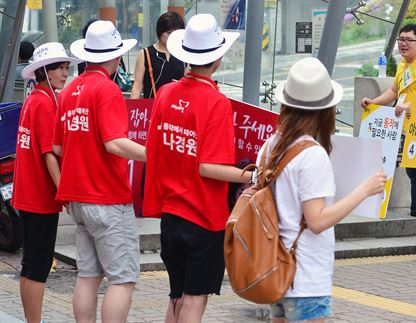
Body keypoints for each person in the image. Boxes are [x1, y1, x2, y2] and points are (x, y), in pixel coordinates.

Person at [143, 14, 247, 323]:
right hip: (203, 217)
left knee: (176, 296)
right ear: (217, 59)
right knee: (194, 299)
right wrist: (251, 175)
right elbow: (209, 167)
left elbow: (154, 150)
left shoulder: (165, 94)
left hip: (171, 214)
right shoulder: (216, 102)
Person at [265, 56, 386, 323]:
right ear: (325, 110)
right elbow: (317, 220)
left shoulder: (271, 145)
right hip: (305, 275)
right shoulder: (312, 154)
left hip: (274, 266)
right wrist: (364, 189)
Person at [53, 20, 146, 323]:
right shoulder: (106, 89)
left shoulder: (68, 92)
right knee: (122, 278)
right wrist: (154, 155)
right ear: (116, 56)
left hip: (76, 197)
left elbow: (58, 148)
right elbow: (115, 143)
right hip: (106, 196)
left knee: (88, 275)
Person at [12, 42, 81, 323]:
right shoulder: (45, 103)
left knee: (31, 265)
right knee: (38, 266)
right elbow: (49, 155)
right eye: (59, 68)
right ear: (44, 72)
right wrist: (64, 193)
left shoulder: (35, 99)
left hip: (28, 195)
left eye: (66, 67)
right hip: (39, 198)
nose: (65, 73)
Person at [360, 24, 416, 234]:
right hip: (405, 129)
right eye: (401, 39)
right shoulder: (404, 66)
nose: (403, 44)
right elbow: (394, 92)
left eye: (408, 40)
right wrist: (373, 103)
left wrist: (409, 106)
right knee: (413, 172)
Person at [131, 11, 185, 99]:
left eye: (175, 33)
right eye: (169, 32)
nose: (172, 36)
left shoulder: (183, 55)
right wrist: (132, 110)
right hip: (152, 107)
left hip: (177, 107)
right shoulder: (145, 54)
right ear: (160, 31)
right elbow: (137, 87)